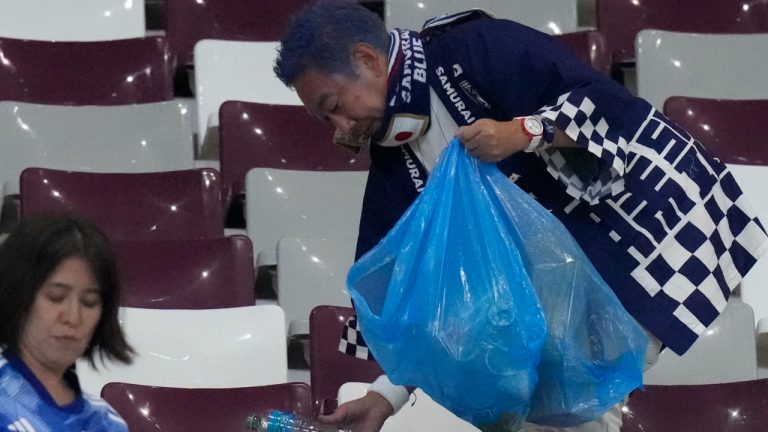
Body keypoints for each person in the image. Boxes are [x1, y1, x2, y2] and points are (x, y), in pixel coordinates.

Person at [274, 1, 768, 431]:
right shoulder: (393, 161)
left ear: (367, 58)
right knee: (527, 402)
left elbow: (606, 105)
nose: (340, 129)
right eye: (326, 120)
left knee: (561, 405)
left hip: (632, 237)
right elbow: (424, 304)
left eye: (335, 105)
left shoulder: (475, 46)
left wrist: (525, 131)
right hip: (545, 300)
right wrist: (387, 394)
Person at [0, 214, 135, 431]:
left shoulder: (108, 423)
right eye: (56, 297)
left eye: (89, 302)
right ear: (16, 296)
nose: (73, 317)